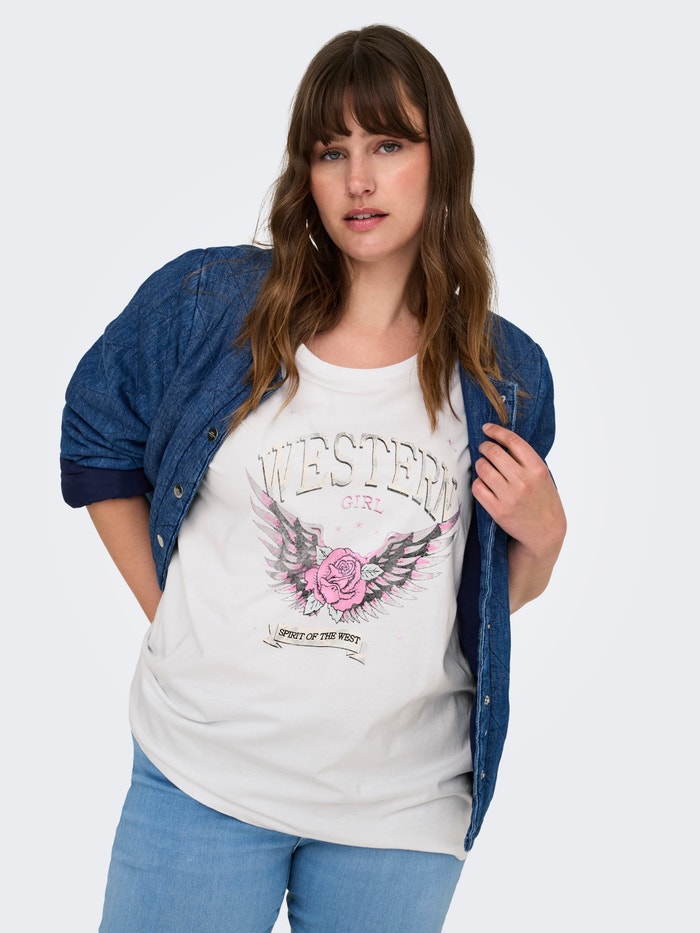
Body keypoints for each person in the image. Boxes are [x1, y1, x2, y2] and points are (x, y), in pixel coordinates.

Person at [60, 23, 566, 933]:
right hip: (202, 777)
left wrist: (547, 535)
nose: (359, 179)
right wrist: (168, 609)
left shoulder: (505, 374)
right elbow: (99, 432)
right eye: (332, 152)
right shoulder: (212, 308)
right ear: (307, 174)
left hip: (401, 807)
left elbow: (487, 597)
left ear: (441, 160)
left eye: (388, 145)